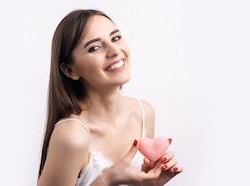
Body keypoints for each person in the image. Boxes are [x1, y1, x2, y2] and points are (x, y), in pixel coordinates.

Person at [37, 9, 183, 186]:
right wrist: (108, 179)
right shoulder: (73, 136)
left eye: (115, 38)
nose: (114, 51)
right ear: (70, 70)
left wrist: (149, 183)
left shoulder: (144, 113)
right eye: (94, 48)